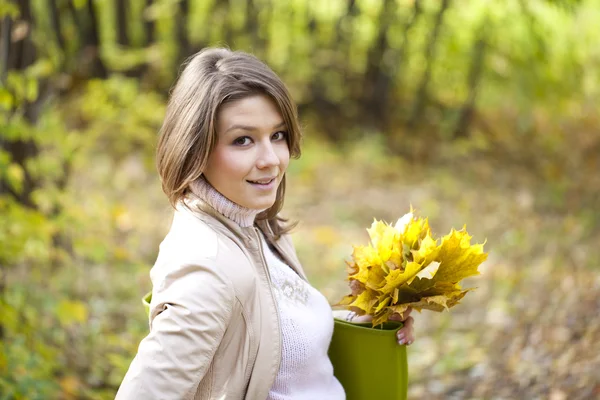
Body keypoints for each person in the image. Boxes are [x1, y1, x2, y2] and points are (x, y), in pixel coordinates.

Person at [116, 47, 415, 399]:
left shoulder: (257, 227)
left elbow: (269, 341)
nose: (271, 160)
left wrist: (369, 321)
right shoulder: (204, 267)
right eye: (242, 140)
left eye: (277, 135)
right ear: (194, 147)